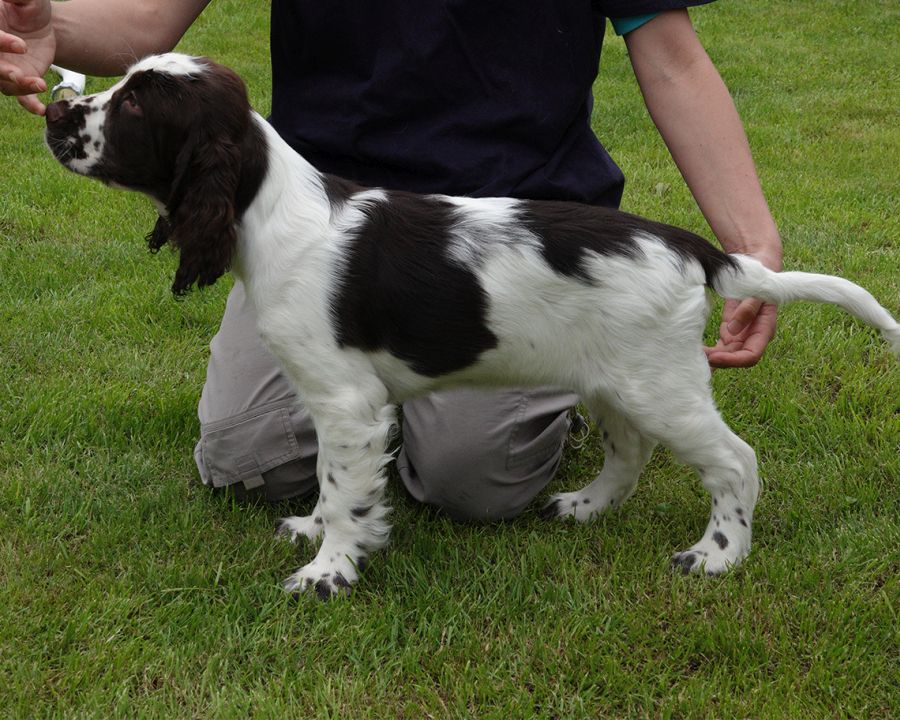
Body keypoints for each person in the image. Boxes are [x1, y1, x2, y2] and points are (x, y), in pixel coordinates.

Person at [0, 0, 783, 519]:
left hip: (511, 240)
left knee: (473, 478)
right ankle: (402, 389)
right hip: (324, 225)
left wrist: (749, 243)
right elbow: (143, 20)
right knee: (250, 455)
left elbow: (673, 58)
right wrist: (52, 27)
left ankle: (568, 364)